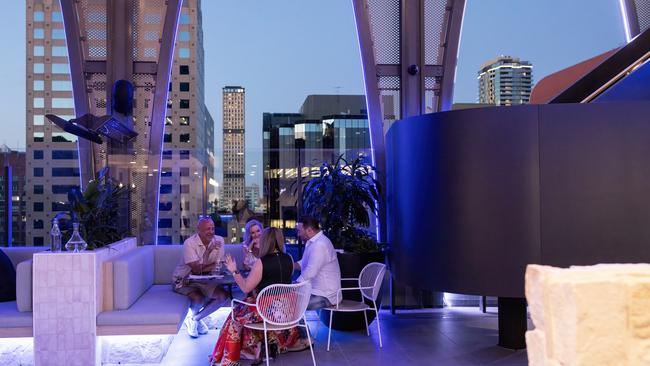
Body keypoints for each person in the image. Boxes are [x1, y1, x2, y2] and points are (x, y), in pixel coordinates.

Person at [210, 227, 310, 366]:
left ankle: (230, 359)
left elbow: (245, 287)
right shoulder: (289, 258)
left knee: (235, 316)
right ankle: (258, 349)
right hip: (289, 311)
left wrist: (234, 271)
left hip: (268, 312)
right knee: (245, 308)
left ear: (265, 241)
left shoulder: (261, 263)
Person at [172, 217, 229, 338]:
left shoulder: (219, 240)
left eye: (213, 228)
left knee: (222, 296)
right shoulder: (190, 243)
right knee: (199, 298)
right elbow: (197, 269)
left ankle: (195, 319)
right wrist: (210, 255)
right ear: (199, 230)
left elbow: (218, 266)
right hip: (184, 280)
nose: (211, 231)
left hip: (205, 280)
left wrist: (214, 265)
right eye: (208, 229)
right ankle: (194, 320)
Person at [294, 216, 341, 310]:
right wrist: (290, 265)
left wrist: (295, 284)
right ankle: (299, 324)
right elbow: (305, 262)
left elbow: (311, 271)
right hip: (315, 292)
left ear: (309, 230)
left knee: (292, 304)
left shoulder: (320, 245)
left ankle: (299, 325)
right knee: (288, 300)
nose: (298, 234)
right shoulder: (313, 243)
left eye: (300, 231)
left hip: (326, 296)